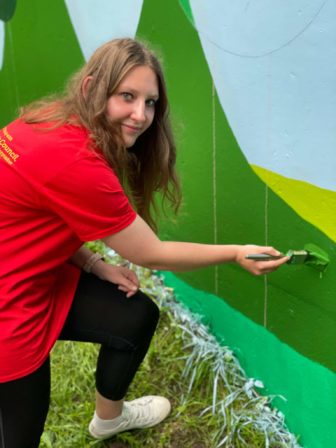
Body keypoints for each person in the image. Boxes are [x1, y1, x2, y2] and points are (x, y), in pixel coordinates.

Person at [0, 37, 288, 447]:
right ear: (91, 88)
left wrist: (91, 264)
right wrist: (236, 252)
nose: (141, 115)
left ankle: (109, 419)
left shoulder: (44, 119)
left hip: (30, 275)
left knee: (132, 317)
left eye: (150, 102)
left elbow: (28, 217)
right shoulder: (76, 162)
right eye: (127, 97)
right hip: (9, 309)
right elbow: (149, 252)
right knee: (19, 434)